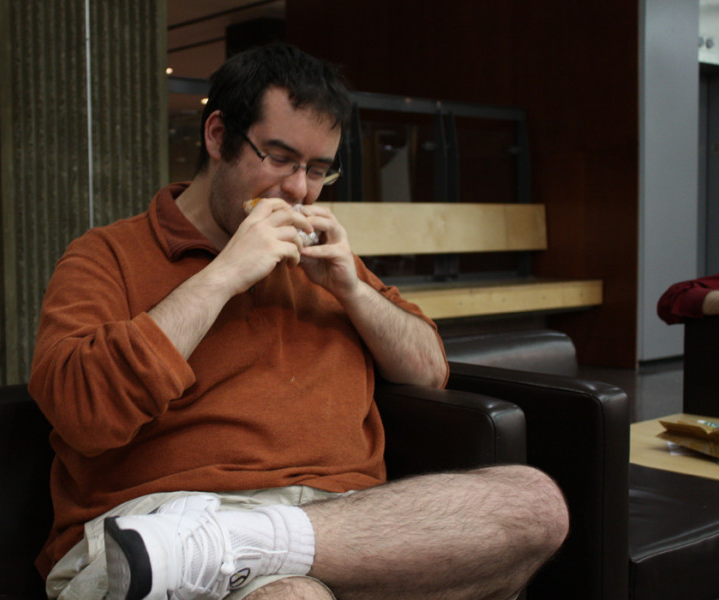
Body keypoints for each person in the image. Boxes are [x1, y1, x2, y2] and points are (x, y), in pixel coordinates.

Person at [29, 43, 568, 600]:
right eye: (280, 158)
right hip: (162, 528)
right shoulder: (105, 255)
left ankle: (242, 543)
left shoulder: (324, 263)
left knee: (535, 503)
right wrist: (223, 276)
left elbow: (430, 370)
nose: (298, 189)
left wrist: (351, 289)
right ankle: (221, 545)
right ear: (218, 135)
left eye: (317, 170)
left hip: (347, 527)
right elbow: (81, 412)